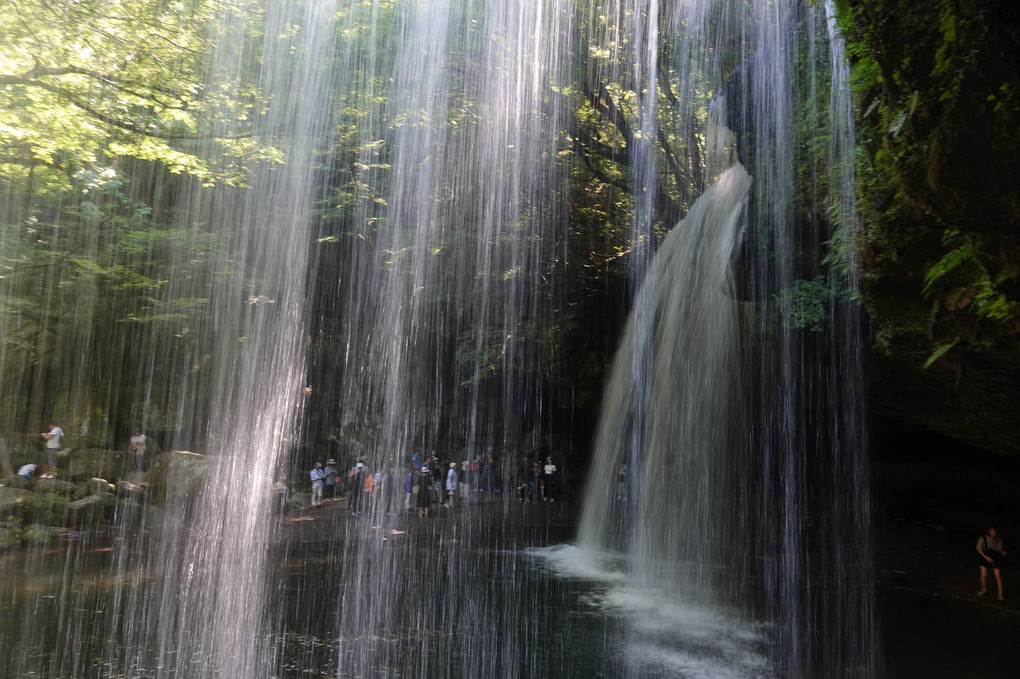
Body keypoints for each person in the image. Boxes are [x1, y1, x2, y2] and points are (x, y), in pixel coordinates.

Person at [977, 526, 1007, 600]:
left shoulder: (1000, 539)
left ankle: (1000, 593)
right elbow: (978, 548)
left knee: (998, 576)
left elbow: (1001, 549)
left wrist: (1003, 552)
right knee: (983, 575)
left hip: (996, 558)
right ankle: (984, 590)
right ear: (990, 531)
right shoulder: (983, 538)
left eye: (996, 531)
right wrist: (986, 557)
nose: (995, 532)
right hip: (985, 558)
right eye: (993, 531)